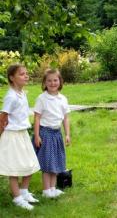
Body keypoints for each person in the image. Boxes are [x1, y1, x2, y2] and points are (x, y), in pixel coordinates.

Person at [0, 64, 40, 210]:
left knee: (30, 163)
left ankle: (24, 191)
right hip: (12, 136)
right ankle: (17, 198)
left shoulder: (22, 93)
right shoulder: (11, 97)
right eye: (22, 74)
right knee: (15, 168)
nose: (26, 76)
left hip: (22, 133)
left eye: (26, 73)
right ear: (12, 78)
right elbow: (3, 117)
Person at [33, 68, 71, 198]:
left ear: (60, 82)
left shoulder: (63, 99)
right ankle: (46, 190)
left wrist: (67, 134)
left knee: (56, 162)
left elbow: (65, 118)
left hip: (57, 134)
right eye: (49, 81)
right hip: (45, 134)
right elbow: (37, 117)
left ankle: (53, 188)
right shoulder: (42, 98)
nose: (52, 83)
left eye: (55, 80)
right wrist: (37, 135)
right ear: (44, 82)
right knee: (47, 163)